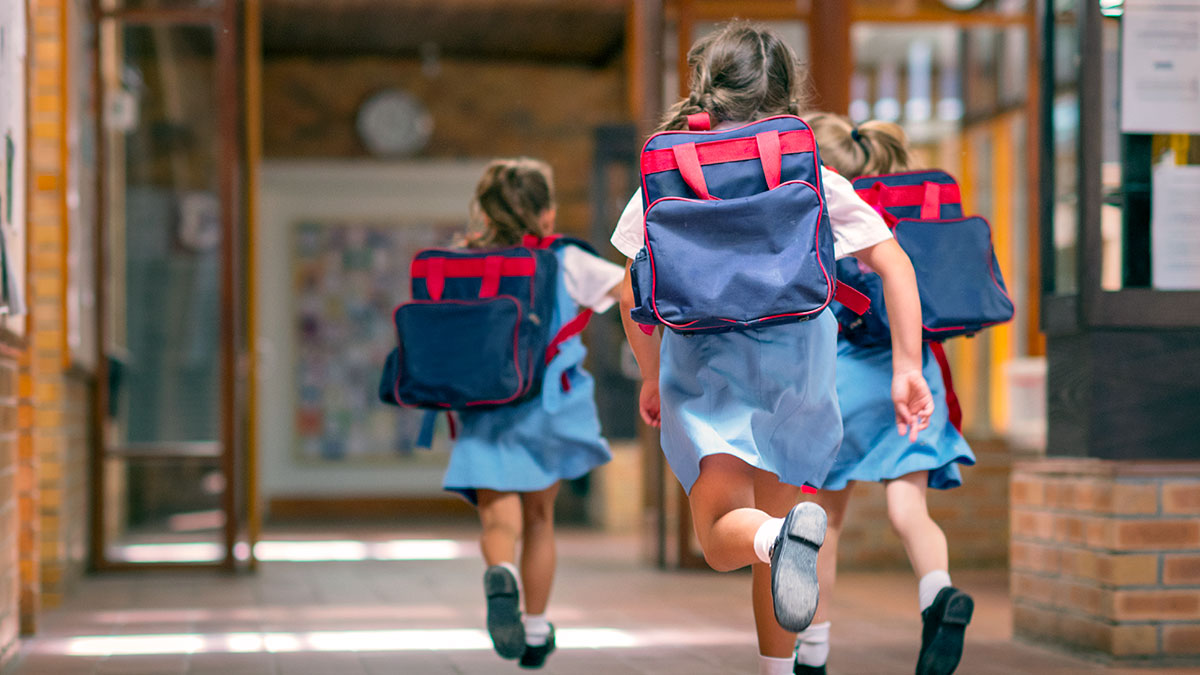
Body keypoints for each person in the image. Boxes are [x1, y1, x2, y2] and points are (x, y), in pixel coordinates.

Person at [610, 23, 933, 675]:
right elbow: (892, 262)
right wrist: (906, 366)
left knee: (728, 533)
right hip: (799, 370)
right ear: (787, 92)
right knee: (782, 534)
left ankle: (772, 538)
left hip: (706, 371)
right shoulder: (810, 170)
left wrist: (649, 375)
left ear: (707, 87)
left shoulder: (670, 173)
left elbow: (627, 293)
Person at [793, 112, 976, 675]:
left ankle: (814, 654)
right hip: (913, 371)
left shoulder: (828, 204)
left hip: (842, 375)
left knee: (825, 522)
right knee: (909, 508)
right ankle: (937, 593)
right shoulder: (900, 209)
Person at [443, 158, 624, 669]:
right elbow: (634, 294)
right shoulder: (567, 259)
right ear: (545, 213)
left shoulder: (463, 260)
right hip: (549, 405)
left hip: (483, 406)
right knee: (541, 517)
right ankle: (538, 628)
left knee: (499, 516)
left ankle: (500, 569)